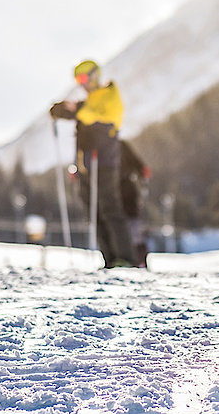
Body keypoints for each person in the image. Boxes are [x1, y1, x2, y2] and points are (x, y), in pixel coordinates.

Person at [50, 60, 136, 268]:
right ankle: (110, 258)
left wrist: (74, 110)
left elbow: (94, 115)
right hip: (86, 166)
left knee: (110, 208)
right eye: (78, 80)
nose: (82, 84)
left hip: (104, 162)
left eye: (84, 78)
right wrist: (63, 110)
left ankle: (126, 257)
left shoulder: (109, 94)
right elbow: (82, 112)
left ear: (95, 75)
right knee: (94, 212)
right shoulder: (90, 100)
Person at [119, 140, 150, 267]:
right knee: (126, 228)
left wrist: (143, 174)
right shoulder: (118, 145)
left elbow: (139, 165)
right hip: (119, 191)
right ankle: (130, 258)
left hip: (127, 191)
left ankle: (140, 260)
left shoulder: (120, 146)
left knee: (133, 227)